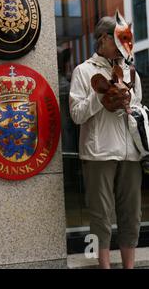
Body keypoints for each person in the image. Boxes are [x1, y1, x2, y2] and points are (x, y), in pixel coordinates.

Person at [69, 16, 142, 269]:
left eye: (127, 40)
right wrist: (100, 98)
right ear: (103, 39)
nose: (126, 45)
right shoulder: (83, 70)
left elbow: (137, 106)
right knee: (101, 216)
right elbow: (76, 114)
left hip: (130, 153)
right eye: (120, 39)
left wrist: (128, 107)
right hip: (98, 153)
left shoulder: (131, 70)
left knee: (132, 216)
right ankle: (104, 266)